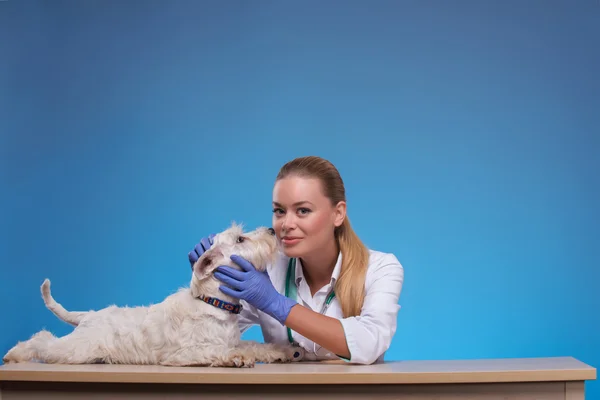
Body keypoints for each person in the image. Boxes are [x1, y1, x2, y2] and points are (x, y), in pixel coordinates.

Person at [188, 156, 404, 365]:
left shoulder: (380, 268)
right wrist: (209, 288)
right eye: (279, 211)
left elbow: (368, 343)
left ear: (338, 214)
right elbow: (205, 340)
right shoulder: (264, 270)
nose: (286, 224)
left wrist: (275, 303)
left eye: (303, 210)